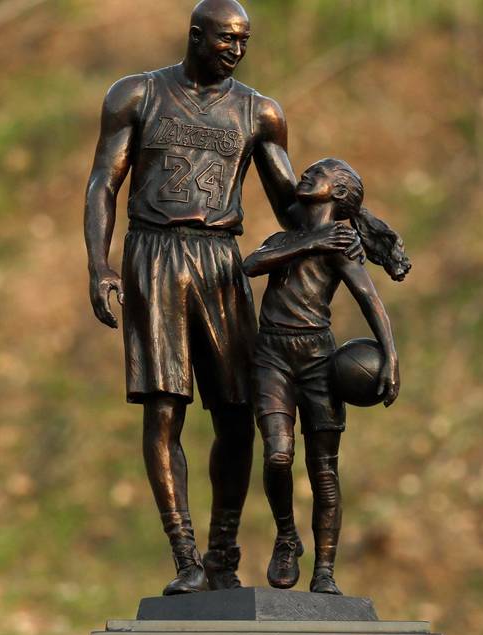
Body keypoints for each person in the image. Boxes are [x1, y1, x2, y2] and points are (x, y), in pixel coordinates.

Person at [82, 0, 348, 594]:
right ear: (195, 35)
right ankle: (185, 555)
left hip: (221, 260)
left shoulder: (259, 112)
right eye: (226, 38)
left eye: (244, 41)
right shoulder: (136, 95)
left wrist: (357, 221)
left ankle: (223, 551)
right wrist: (100, 265)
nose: (235, 49)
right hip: (153, 252)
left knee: (237, 411)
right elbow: (104, 180)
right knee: (164, 408)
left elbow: (291, 205)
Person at [243, 158, 411, 595]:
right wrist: (312, 240)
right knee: (277, 456)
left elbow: (369, 299)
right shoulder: (289, 238)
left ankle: (325, 570)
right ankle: (286, 536)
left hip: (317, 359)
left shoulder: (341, 245)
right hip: (272, 356)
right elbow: (251, 264)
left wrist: (391, 357)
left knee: (323, 469)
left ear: (337, 195)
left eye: (318, 174)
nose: (305, 175)